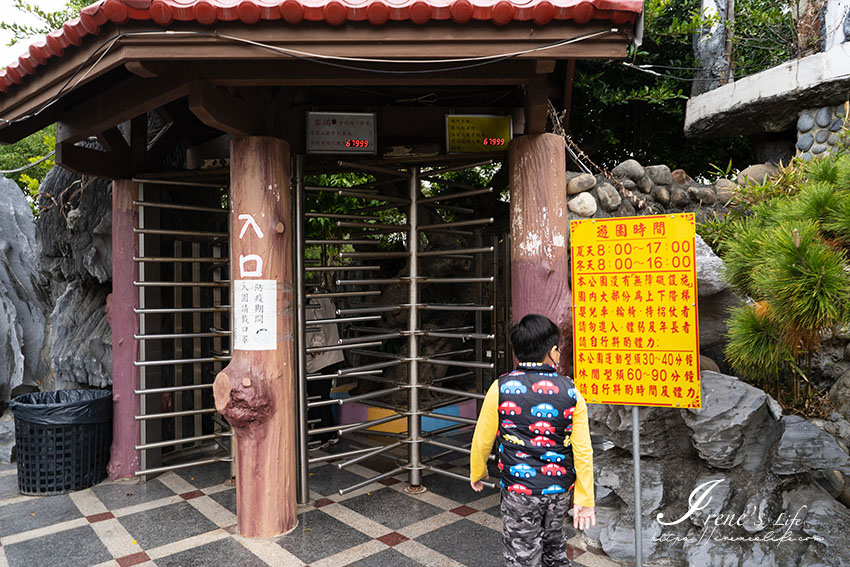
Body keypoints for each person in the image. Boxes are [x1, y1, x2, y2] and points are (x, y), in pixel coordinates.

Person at [469, 313, 595, 567]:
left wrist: (478, 470)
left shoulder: (501, 387)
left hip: (519, 491)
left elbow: (482, 437)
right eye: (558, 350)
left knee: (522, 551)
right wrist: (585, 498)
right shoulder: (571, 391)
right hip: (559, 491)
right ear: (551, 352)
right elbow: (583, 450)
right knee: (553, 545)